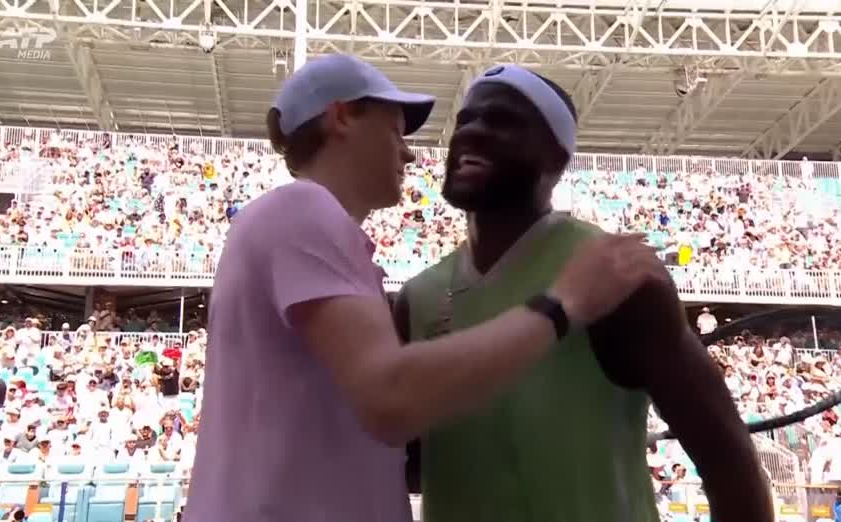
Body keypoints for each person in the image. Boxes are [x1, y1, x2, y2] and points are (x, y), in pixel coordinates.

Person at [184, 54, 666, 521]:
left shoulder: (315, 232)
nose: (409, 152)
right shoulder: (303, 210)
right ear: (342, 117)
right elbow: (390, 399)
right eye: (396, 131)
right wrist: (563, 304)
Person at [393, 64, 774, 522]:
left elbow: (728, 459)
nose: (472, 132)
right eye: (465, 120)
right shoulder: (418, 297)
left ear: (556, 158)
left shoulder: (618, 274)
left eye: (502, 121)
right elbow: (414, 467)